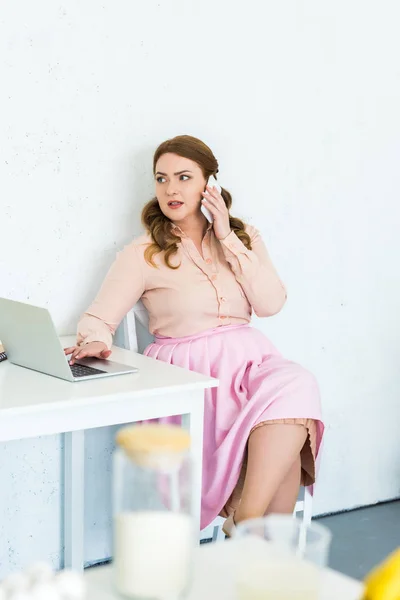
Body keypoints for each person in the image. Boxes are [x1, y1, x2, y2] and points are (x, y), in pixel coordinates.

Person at [65, 135, 323, 536]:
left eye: (184, 177)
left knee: (296, 385)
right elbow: (98, 317)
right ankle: (261, 543)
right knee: (284, 435)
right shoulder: (142, 253)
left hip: (252, 366)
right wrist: (96, 341)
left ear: (210, 183)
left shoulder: (244, 238)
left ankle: (248, 521)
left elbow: (271, 303)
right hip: (191, 377)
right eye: (161, 178)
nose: (171, 189)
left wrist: (227, 237)